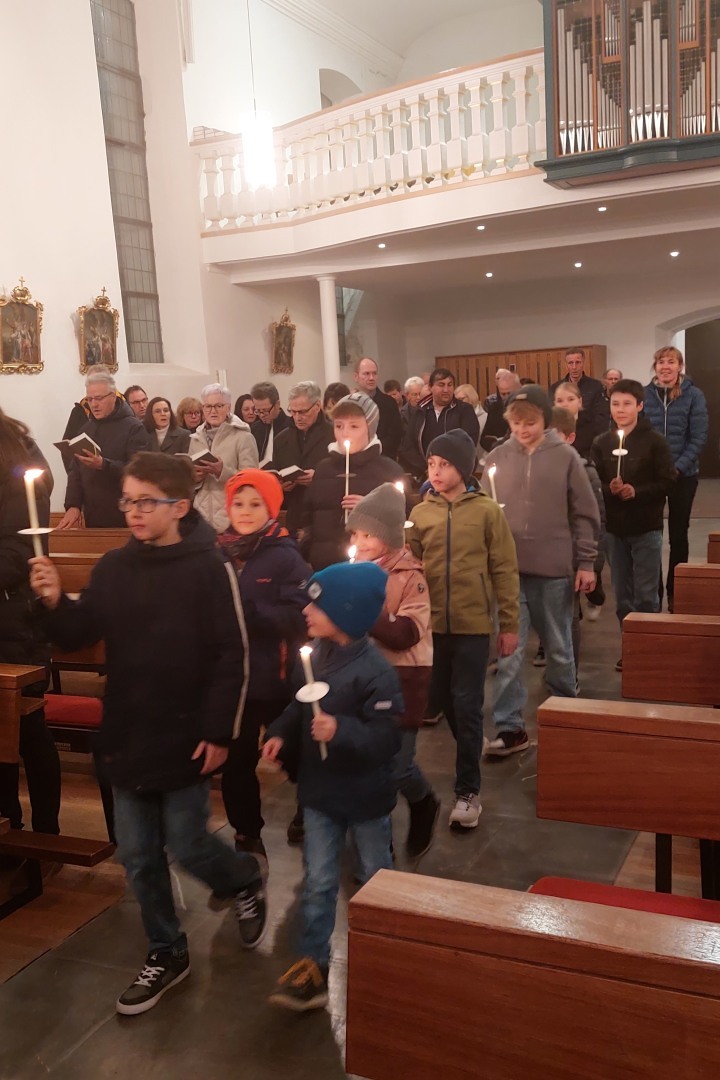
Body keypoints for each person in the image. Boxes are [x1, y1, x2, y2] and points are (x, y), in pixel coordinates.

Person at [30, 453, 266, 1014]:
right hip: (129, 729)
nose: (133, 511)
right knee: (136, 854)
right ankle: (167, 949)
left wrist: (221, 732)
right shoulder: (115, 567)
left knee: (187, 842)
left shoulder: (210, 568)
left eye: (145, 501)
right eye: (127, 500)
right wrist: (54, 601)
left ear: (179, 507)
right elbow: (79, 632)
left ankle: (242, 879)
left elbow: (233, 654)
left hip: (187, 732)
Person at [263, 561, 402, 1011]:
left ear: (346, 612)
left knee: (375, 876)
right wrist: (281, 732)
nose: (305, 610)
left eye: (316, 605)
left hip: (365, 797)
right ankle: (313, 963)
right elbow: (298, 705)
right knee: (319, 880)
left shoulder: (376, 672)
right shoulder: (316, 655)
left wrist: (340, 730)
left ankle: (386, 949)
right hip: (321, 794)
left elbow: (385, 739)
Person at [407, 430, 519, 829]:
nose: (435, 472)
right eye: (431, 464)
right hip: (432, 626)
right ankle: (471, 744)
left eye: (444, 464)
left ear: (464, 468)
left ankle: (468, 792)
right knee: (440, 700)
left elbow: (504, 569)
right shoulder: (421, 513)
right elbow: (410, 567)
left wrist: (509, 624)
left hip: (472, 626)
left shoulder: (487, 512)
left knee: (468, 703)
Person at [482, 385, 599, 756]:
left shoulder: (565, 456)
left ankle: (566, 714)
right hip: (509, 572)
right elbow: (484, 511)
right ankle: (510, 727)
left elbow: (584, 514)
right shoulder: (498, 457)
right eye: (516, 423)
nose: (522, 429)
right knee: (509, 652)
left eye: (530, 422)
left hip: (553, 570)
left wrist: (586, 562)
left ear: (545, 420)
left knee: (559, 648)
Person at [217, 469, 309, 873]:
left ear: (271, 509)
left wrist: (251, 614)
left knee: (289, 750)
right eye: (238, 503)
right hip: (233, 681)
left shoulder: (285, 556)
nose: (245, 511)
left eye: (256, 504)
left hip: (274, 676)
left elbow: (300, 614)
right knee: (237, 761)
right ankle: (246, 834)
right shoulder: (219, 553)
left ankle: (312, 804)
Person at [348, 484, 440, 858]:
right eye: (355, 534)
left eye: (367, 535)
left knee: (397, 766)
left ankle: (424, 801)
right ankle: (375, 846)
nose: (359, 542)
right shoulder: (353, 572)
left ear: (388, 536)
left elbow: (406, 633)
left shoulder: (410, 577)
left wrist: (364, 610)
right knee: (370, 765)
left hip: (404, 681)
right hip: (364, 680)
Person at [0, 410, 60, 840]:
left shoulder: (17, 459)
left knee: (26, 731)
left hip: (14, 619)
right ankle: (8, 827)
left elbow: (18, 553)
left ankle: (44, 836)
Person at [591, 379, 677, 669]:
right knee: (623, 595)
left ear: (639, 406)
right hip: (615, 529)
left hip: (646, 526)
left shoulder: (655, 441)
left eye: (627, 404)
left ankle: (648, 650)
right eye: (616, 404)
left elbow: (668, 481)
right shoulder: (602, 443)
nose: (621, 409)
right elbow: (594, 483)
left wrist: (636, 491)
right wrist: (610, 488)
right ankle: (629, 647)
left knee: (646, 594)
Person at [303, 392, 404, 570]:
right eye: (339, 426)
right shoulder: (323, 469)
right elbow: (308, 519)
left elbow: (403, 525)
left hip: (373, 570)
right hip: (325, 567)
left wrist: (371, 511)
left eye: (354, 426)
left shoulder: (389, 471)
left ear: (370, 428)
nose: (345, 433)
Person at [643, 347, 708, 611]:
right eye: (661, 362)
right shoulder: (645, 395)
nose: (665, 366)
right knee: (652, 536)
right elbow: (640, 434)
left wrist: (677, 467)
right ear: (655, 366)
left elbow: (698, 437)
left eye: (671, 362)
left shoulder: (694, 395)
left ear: (679, 366)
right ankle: (654, 594)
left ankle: (676, 592)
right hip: (653, 477)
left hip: (684, 475)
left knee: (678, 535)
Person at [551, 406, 606, 679]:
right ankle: (556, 670)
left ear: (570, 438)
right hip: (541, 557)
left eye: (554, 436)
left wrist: (591, 563)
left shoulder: (583, 470)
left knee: (567, 617)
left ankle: (568, 676)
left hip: (569, 557)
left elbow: (596, 521)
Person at [59, 366, 151, 528]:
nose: (94, 404)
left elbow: (139, 472)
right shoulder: (86, 429)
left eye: (99, 398)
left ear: (113, 396)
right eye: (90, 399)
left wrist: (104, 465)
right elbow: (75, 472)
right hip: (93, 515)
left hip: (126, 514)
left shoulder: (133, 428)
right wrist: (73, 505)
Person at [553, 382, 606, 622]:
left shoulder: (590, 431)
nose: (565, 404)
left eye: (569, 399)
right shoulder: (549, 432)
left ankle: (594, 592)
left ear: (580, 402)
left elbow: (595, 517)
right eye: (559, 400)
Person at [190, 383, 258, 532]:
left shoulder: (243, 437)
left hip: (231, 517)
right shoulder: (196, 438)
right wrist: (195, 478)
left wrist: (222, 472)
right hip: (201, 518)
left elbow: (252, 481)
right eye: (208, 406)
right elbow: (190, 485)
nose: (213, 411)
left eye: (218, 406)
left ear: (228, 407)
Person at [272, 381, 332, 537]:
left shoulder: (334, 434)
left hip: (326, 514)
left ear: (317, 406)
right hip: (295, 515)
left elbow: (345, 473)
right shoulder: (281, 440)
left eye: (303, 412)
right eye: (293, 411)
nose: (297, 417)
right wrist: (281, 486)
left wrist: (319, 477)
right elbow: (277, 475)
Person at [400, 368, 481, 479]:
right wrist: (428, 467)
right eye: (441, 385)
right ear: (430, 387)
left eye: (450, 385)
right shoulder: (420, 412)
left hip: (457, 474)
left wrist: (448, 468)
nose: (446, 390)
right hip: (426, 473)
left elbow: (469, 443)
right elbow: (408, 446)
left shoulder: (465, 410)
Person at [550, 348, 609, 458]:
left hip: (588, 438)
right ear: (566, 365)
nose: (574, 367)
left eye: (577, 362)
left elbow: (601, 416)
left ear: (583, 363)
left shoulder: (596, 386)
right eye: (570, 363)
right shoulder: (555, 387)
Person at [353, 357, 402, 461]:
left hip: (383, 460)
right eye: (366, 374)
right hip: (355, 459)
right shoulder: (350, 404)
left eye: (374, 373)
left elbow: (395, 436)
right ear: (356, 377)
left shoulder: (389, 403)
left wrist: (372, 452)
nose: (371, 378)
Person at [250, 382, 291, 467]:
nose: (262, 415)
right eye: (258, 411)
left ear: (277, 404)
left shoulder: (291, 426)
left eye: (265, 410)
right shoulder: (255, 429)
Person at [480, 370, 520, 453]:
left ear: (518, 389)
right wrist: (495, 445)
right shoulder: (494, 409)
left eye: (509, 393)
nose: (506, 397)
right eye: (503, 394)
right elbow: (484, 439)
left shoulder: (529, 408)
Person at [455, 384, 488, 465]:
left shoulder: (486, 418)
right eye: (456, 400)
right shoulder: (456, 419)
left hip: (482, 463)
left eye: (461, 399)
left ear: (471, 397)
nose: (458, 403)